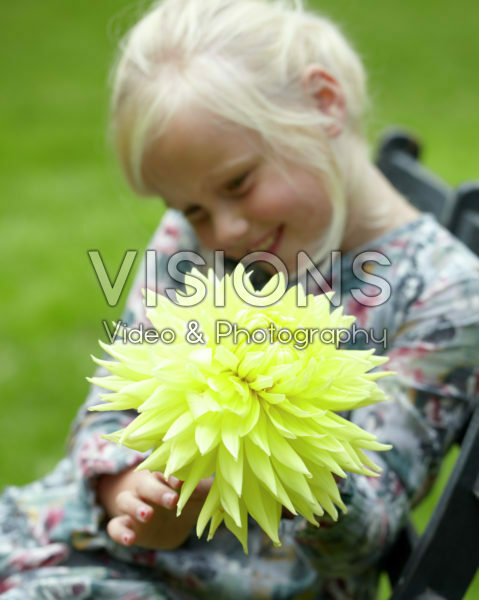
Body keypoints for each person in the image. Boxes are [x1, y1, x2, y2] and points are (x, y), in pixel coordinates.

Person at [1, 0, 478, 598]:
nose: (222, 231)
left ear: (324, 102)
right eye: (194, 209)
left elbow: (370, 533)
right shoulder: (197, 240)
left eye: (238, 183)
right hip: (61, 533)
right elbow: (112, 399)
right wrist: (131, 493)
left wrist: (295, 463)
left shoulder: (445, 296)